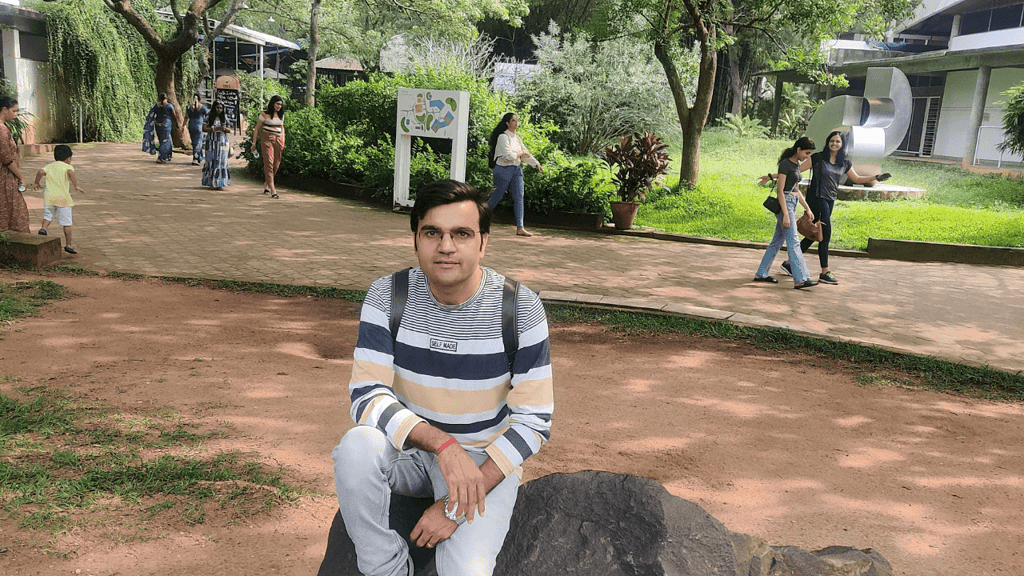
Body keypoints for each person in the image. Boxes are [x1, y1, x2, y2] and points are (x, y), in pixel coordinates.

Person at [332, 179, 554, 576]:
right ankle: (383, 565)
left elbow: (534, 421)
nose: (446, 246)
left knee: (467, 572)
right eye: (432, 232)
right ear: (416, 240)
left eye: (462, 234)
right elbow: (367, 395)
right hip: (408, 452)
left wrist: (455, 505)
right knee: (355, 448)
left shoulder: (519, 307)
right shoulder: (389, 295)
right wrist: (442, 445)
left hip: (481, 458)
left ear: (483, 243)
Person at [776, 131, 879, 285]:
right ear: (827, 142)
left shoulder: (844, 162)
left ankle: (789, 263)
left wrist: (873, 178)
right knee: (825, 233)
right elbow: (794, 171)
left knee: (815, 234)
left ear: (842, 144)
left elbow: (856, 178)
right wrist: (773, 176)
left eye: (837, 141)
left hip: (830, 200)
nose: (834, 144)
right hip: (816, 199)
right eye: (832, 140)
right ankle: (824, 272)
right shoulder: (817, 158)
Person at [754, 137, 818, 289]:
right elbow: (780, 191)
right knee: (794, 242)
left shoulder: (796, 164)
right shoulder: (785, 164)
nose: (807, 157)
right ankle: (801, 279)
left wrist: (807, 208)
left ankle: (761, 273)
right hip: (786, 205)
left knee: (777, 241)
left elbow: (796, 189)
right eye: (806, 153)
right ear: (798, 149)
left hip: (792, 203)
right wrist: (786, 214)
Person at [486, 112, 543, 237]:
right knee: (497, 196)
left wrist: (536, 164)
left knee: (519, 197)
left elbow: (525, 154)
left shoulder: (516, 138)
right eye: (513, 120)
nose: (516, 122)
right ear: (507, 123)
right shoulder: (503, 137)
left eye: (516, 120)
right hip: (503, 169)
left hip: (516, 169)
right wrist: (520, 152)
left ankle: (520, 227)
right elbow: (508, 156)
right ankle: (478, 216)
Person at [33, 144, 84, 254]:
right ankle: (68, 245)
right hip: (63, 199)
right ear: (68, 158)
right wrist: (76, 185)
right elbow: (70, 173)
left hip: (50, 197)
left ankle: (44, 229)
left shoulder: (49, 166)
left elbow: (41, 172)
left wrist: (36, 183)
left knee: (48, 216)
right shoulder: (67, 167)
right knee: (66, 222)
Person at [0, 96, 30, 233]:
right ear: (4, 110)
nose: (16, 114)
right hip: (6, 178)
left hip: (8, 177)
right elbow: (7, 158)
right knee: (16, 214)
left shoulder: (4, 128)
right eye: (14, 111)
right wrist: (20, 177)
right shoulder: (1, 130)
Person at [250, 95, 285, 198]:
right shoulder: (264, 114)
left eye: (281, 104)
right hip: (267, 139)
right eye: (277, 104)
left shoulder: (281, 115)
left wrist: (283, 139)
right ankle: (273, 190)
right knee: (269, 162)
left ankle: (267, 184)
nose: (279, 106)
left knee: (276, 164)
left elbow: (282, 128)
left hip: (278, 139)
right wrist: (254, 143)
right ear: (273, 103)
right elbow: (257, 129)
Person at [202, 101, 231, 190]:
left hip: (222, 142)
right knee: (211, 160)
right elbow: (204, 128)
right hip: (211, 141)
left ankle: (220, 183)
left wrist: (224, 129)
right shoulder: (209, 116)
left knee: (221, 161)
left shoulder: (224, 117)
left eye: (221, 108)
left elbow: (230, 129)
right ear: (214, 108)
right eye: (217, 108)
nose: (219, 110)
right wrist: (213, 129)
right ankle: (211, 182)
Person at [145, 92, 175, 163]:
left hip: (158, 125)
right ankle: (161, 157)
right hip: (166, 125)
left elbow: (151, 115)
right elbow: (174, 115)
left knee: (163, 140)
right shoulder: (169, 106)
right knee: (165, 141)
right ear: (166, 98)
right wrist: (176, 124)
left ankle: (167, 156)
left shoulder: (156, 106)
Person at [186, 93, 209, 166]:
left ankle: (198, 157)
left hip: (191, 126)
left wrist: (183, 126)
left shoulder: (189, 107)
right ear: (200, 99)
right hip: (199, 126)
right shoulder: (202, 107)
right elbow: (208, 115)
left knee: (194, 143)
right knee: (198, 143)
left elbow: (186, 117)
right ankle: (195, 159)